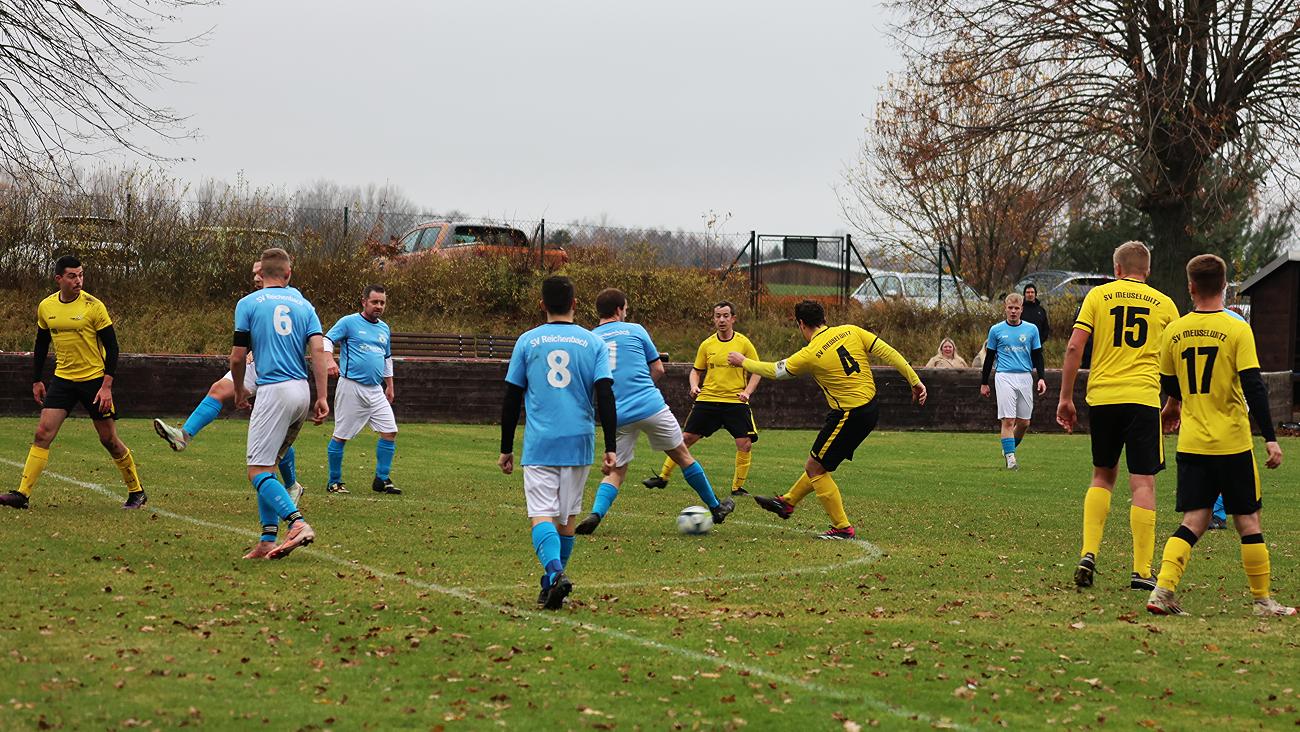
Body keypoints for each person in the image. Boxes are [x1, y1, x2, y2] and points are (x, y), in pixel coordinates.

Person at [1146, 254, 1292, 617]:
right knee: (1248, 521)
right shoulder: (1237, 328)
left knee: (1193, 520)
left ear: (1191, 287)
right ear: (1224, 286)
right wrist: (1270, 438)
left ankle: (1161, 592)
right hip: (1232, 443)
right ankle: (1262, 601)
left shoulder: (1174, 331)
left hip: (1193, 443)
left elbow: (1168, 381)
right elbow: (1254, 387)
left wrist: (1173, 406)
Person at [727, 300, 927, 539]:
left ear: (801, 324)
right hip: (869, 407)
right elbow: (888, 352)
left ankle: (843, 528)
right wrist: (914, 380)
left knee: (815, 469)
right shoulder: (850, 330)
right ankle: (787, 502)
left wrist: (743, 362)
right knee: (818, 462)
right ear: (824, 318)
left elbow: (775, 371)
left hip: (849, 414)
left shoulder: (810, 353)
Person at [1057, 241, 1180, 591]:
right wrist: (1174, 403)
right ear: (1148, 271)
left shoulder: (1099, 296)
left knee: (1102, 476)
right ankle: (1142, 570)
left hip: (1104, 397)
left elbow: (1074, 347)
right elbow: (1175, 361)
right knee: (1142, 482)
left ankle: (1088, 552)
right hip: (1142, 399)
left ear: (1116, 269)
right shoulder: (1165, 305)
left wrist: (1066, 398)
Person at [499, 276, 618, 609]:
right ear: (575, 304)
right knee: (566, 521)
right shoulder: (593, 342)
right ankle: (552, 582)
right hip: (579, 443)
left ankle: (553, 575)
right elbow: (606, 394)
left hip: (541, 443)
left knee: (541, 516)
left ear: (542, 305)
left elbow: (512, 397)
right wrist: (611, 446)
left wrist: (506, 447)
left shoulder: (527, 341)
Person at [576, 289, 734, 535]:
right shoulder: (636, 330)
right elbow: (658, 369)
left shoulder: (590, 339)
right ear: (619, 310)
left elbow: (589, 381)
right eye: (625, 308)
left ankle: (596, 513)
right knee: (682, 456)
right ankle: (715, 507)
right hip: (650, 405)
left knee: (617, 470)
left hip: (617, 413)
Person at [153, 260, 303, 504]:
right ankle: (183, 435)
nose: (255, 277)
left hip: (281, 372)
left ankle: (291, 486)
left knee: (275, 435)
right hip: (257, 366)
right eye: (253, 272)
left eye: (259, 272)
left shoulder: (291, 298)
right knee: (218, 390)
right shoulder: (253, 302)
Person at [2, 255, 145, 510]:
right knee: (42, 433)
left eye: (81, 275)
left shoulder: (93, 306)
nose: (78, 280)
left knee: (109, 440)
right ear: (59, 279)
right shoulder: (46, 307)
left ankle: (137, 492)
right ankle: (22, 495)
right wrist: (36, 379)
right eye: (72, 276)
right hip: (63, 380)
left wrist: (107, 386)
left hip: (94, 381)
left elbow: (112, 347)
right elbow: (41, 343)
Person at [231, 248, 329, 560]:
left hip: (273, 391)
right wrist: (323, 397)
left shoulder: (248, 303)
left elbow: (236, 357)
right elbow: (319, 353)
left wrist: (238, 391)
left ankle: (297, 523)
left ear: (262, 274)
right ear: (288, 274)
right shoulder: (304, 305)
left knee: (256, 470)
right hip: (301, 391)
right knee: (269, 465)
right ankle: (266, 540)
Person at [644, 301, 761, 495]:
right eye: (717, 316)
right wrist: (694, 386)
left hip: (735, 402)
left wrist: (747, 392)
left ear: (733, 318)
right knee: (685, 438)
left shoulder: (744, 343)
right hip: (708, 400)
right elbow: (695, 371)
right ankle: (663, 477)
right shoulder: (707, 344)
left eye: (725, 316)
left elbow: (757, 370)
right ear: (714, 319)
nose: (721, 320)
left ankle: (737, 488)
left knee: (745, 444)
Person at [323, 285, 399, 496]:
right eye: (375, 302)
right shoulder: (349, 322)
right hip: (351, 387)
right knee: (341, 435)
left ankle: (382, 479)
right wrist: (329, 360)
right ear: (364, 301)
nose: (379, 306)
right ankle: (334, 481)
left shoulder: (384, 328)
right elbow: (326, 340)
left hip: (375, 390)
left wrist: (390, 385)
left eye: (382, 302)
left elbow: (386, 358)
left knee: (390, 431)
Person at [980, 293, 1046, 469]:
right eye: (1010, 308)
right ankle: (1011, 460)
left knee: (1024, 422)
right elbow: (989, 358)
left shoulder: (1031, 330)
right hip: (1004, 376)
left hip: (1025, 377)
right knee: (1008, 420)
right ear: (1005, 309)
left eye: (1017, 308)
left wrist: (1041, 378)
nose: (1013, 311)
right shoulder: (996, 330)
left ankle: (1008, 447)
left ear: (1022, 309)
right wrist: (984, 382)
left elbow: (1038, 355)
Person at [1209, 306, 1250, 531]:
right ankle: (1217, 512)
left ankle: (1216, 513)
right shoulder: (1239, 325)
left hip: (1212, 400)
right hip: (1234, 399)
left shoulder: (1200, 322)